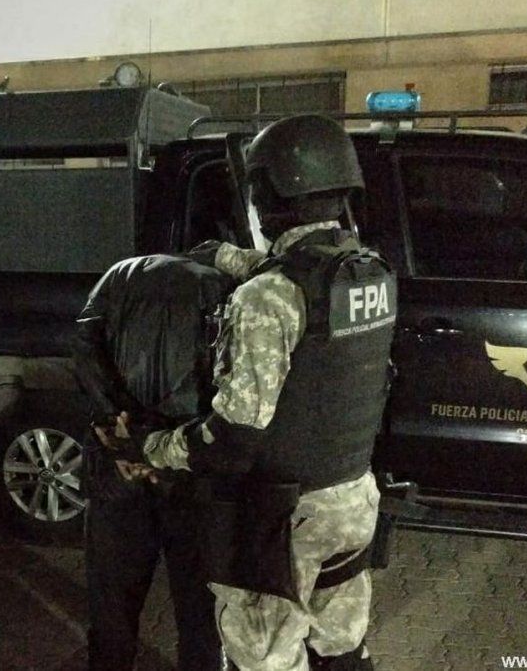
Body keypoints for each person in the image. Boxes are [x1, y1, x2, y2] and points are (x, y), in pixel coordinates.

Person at [101, 115, 396, 671]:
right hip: (353, 502)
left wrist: (151, 446)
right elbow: (297, 274)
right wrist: (223, 255)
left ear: (266, 194)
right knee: (341, 647)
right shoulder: (370, 272)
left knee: (265, 658)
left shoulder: (267, 297)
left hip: (286, 519)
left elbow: (234, 436)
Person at [73, 248, 261, 671]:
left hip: (117, 461)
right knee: (199, 609)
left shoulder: (117, 274)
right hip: (187, 468)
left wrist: (118, 427)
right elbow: (228, 383)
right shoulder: (224, 287)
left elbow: (85, 348)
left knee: (111, 603)